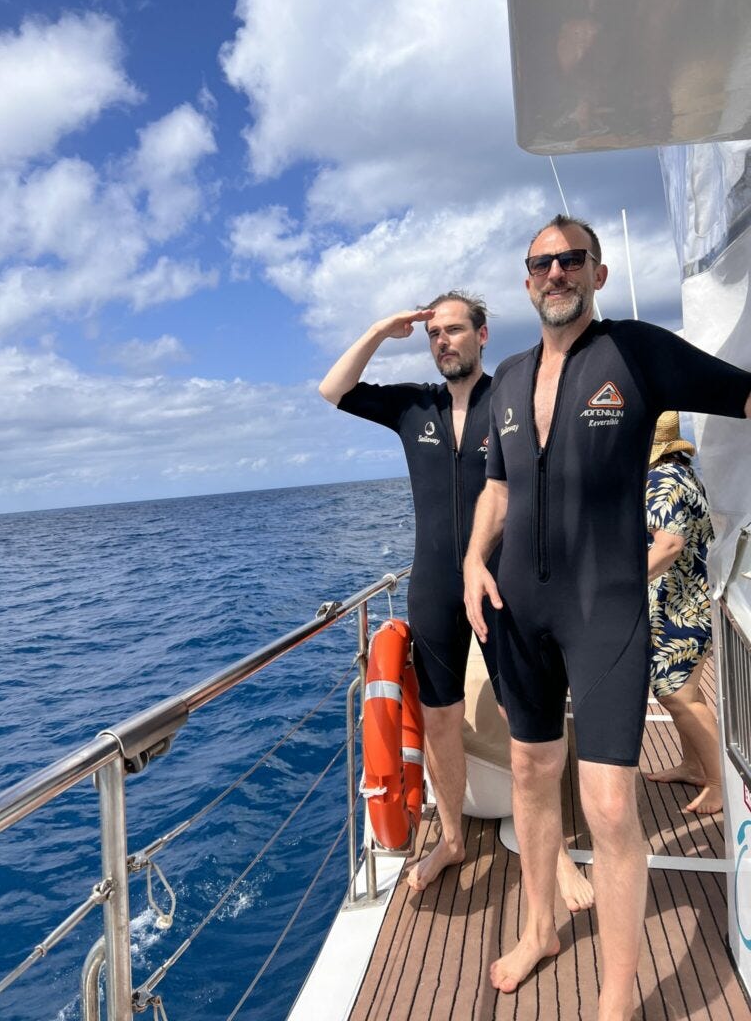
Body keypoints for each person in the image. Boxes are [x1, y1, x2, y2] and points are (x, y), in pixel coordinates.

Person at [463, 214, 751, 1021]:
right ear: (527, 282)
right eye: (540, 263)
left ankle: (617, 993)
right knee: (529, 773)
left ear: (596, 272)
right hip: (519, 610)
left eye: (570, 260)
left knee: (613, 806)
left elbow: (742, 395)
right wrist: (469, 562)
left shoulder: (637, 353)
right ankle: (541, 927)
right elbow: (497, 489)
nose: (554, 273)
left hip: (607, 608)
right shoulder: (509, 380)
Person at [319, 292, 593, 910]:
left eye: (454, 330)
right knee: (441, 717)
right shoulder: (412, 404)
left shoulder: (512, 397)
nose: (443, 341)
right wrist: (379, 328)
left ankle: (548, 849)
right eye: (433, 333)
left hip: (503, 583)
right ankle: (451, 840)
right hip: (434, 586)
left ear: (483, 334)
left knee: (531, 721)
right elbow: (333, 390)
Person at [645, 411, 722, 815]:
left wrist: (622, 585)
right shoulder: (682, 473)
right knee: (682, 692)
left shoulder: (659, 479)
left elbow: (670, 545)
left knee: (676, 693)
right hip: (692, 600)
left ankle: (718, 782)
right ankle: (695, 766)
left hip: (684, 606)